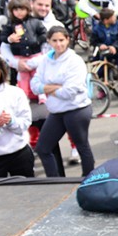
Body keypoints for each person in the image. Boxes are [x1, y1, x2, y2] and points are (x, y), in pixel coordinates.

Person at [29, 26, 94, 177]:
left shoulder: (75, 61)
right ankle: (55, 181)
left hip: (76, 109)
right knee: (43, 148)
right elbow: (34, 85)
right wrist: (56, 87)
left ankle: (89, 179)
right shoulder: (46, 60)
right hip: (56, 111)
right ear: (49, 41)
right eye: (55, 41)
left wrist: (45, 88)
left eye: (61, 40)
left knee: (82, 147)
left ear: (68, 40)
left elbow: (69, 92)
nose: (58, 44)